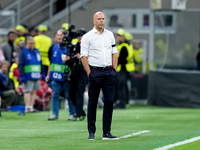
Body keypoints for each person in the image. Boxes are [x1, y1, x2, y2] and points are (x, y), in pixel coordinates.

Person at [81, 11, 118, 140]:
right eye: (99, 19)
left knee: (109, 101)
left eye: (103, 18)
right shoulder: (87, 36)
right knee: (93, 102)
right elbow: (83, 56)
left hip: (109, 72)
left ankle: (106, 132)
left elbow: (114, 52)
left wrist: (114, 69)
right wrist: (89, 73)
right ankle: (91, 131)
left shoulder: (110, 35)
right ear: (94, 21)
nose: (101, 20)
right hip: (95, 71)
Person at [45, 29, 75, 121]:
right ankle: (55, 114)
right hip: (55, 77)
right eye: (57, 35)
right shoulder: (52, 48)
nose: (59, 37)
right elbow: (51, 62)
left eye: (61, 35)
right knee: (55, 95)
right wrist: (48, 75)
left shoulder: (70, 48)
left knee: (69, 96)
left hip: (66, 77)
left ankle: (72, 114)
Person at [67, 28, 88, 121]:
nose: (80, 37)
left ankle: (78, 113)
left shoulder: (89, 47)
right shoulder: (74, 46)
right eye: (78, 36)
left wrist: (81, 57)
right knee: (71, 94)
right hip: (75, 72)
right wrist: (69, 59)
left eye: (81, 35)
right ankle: (80, 111)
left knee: (79, 92)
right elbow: (70, 60)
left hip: (83, 72)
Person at [18, 36, 42, 113]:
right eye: (30, 43)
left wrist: (43, 72)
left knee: (34, 91)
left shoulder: (37, 51)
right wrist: (22, 75)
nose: (32, 45)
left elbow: (40, 62)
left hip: (36, 74)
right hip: (28, 75)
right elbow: (20, 64)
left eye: (33, 43)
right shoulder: (23, 51)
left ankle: (31, 106)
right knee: (27, 91)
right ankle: (27, 107)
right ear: (26, 43)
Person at [114, 29, 135, 109]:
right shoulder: (124, 45)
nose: (118, 37)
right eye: (118, 35)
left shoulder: (124, 47)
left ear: (123, 37)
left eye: (120, 36)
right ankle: (124, 102)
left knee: (121, 86)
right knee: (124, 86)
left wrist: (115, 65)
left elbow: (122, 59)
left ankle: (122, 103)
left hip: (123, 69)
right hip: (125, 69)